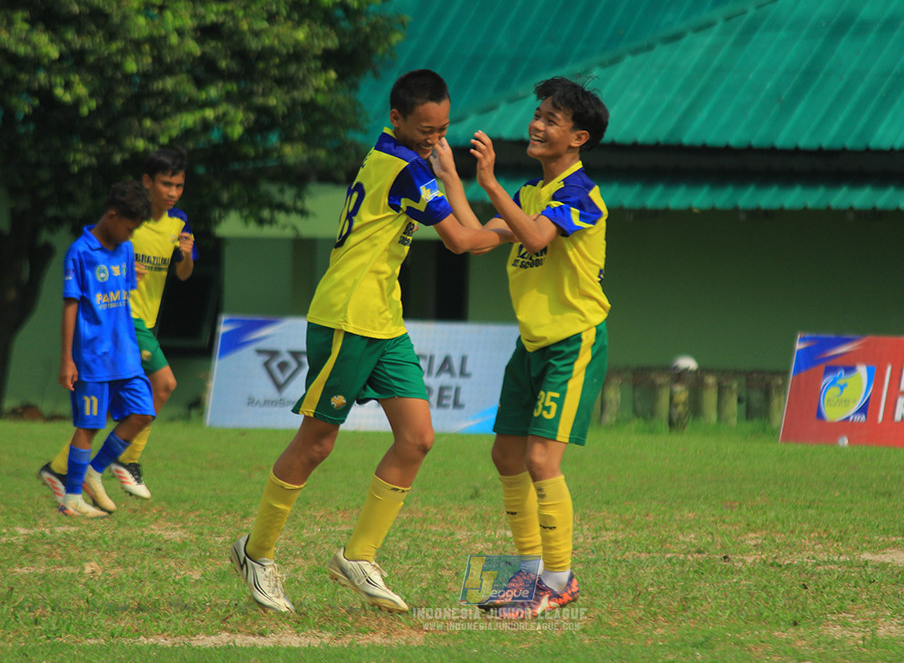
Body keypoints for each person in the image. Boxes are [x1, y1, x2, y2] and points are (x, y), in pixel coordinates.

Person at [230, 69, 514, 614]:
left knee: (418, 438)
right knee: (317, 443)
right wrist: (525, 229)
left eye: (443, 130)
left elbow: (465, 227)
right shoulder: (405, 169)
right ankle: (256, 552)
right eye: (426, 130)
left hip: (384, 320)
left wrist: (453, 176)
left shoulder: (402, 157)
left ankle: (358, 556)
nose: (436, 139)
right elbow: (462, 240)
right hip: (347, 317)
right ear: (396, 119)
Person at [469, 77, 610, 619]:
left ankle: (558, 581)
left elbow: (534, 237)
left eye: (551, 119)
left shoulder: (580, 193)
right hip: (531, 344)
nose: (536, 124)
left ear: (578, 138)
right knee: (506, 455)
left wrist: (489, 182)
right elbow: (473, 239)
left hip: (573, 341)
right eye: (538, 114)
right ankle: (528, 574)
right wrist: (448, 180)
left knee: (540, 459)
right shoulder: (529, 192)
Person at [38, 148, 197, 504]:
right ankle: (125, 461)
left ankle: (61, 468)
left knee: (111, 405)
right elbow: (98, 263)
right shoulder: (127, 220)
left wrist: (186, 257)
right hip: (124, 320)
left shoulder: (179, 222)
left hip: (146, 322)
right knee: (164, 384)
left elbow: (184, 275)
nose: (173, 192)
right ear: (147, 182)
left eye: (179, 185)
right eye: (166, 184)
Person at [54, 180, 157, 518]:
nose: (131, 234)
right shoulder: (80, 252)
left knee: (143, 412)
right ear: (112, 215)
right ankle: (71, 499)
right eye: (129, 227)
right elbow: (71, 305)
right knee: (90, 425)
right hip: (93, 357)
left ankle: (94, 472)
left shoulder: (125, 249)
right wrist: (67, 358)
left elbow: (122, 295)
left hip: (125, 354)